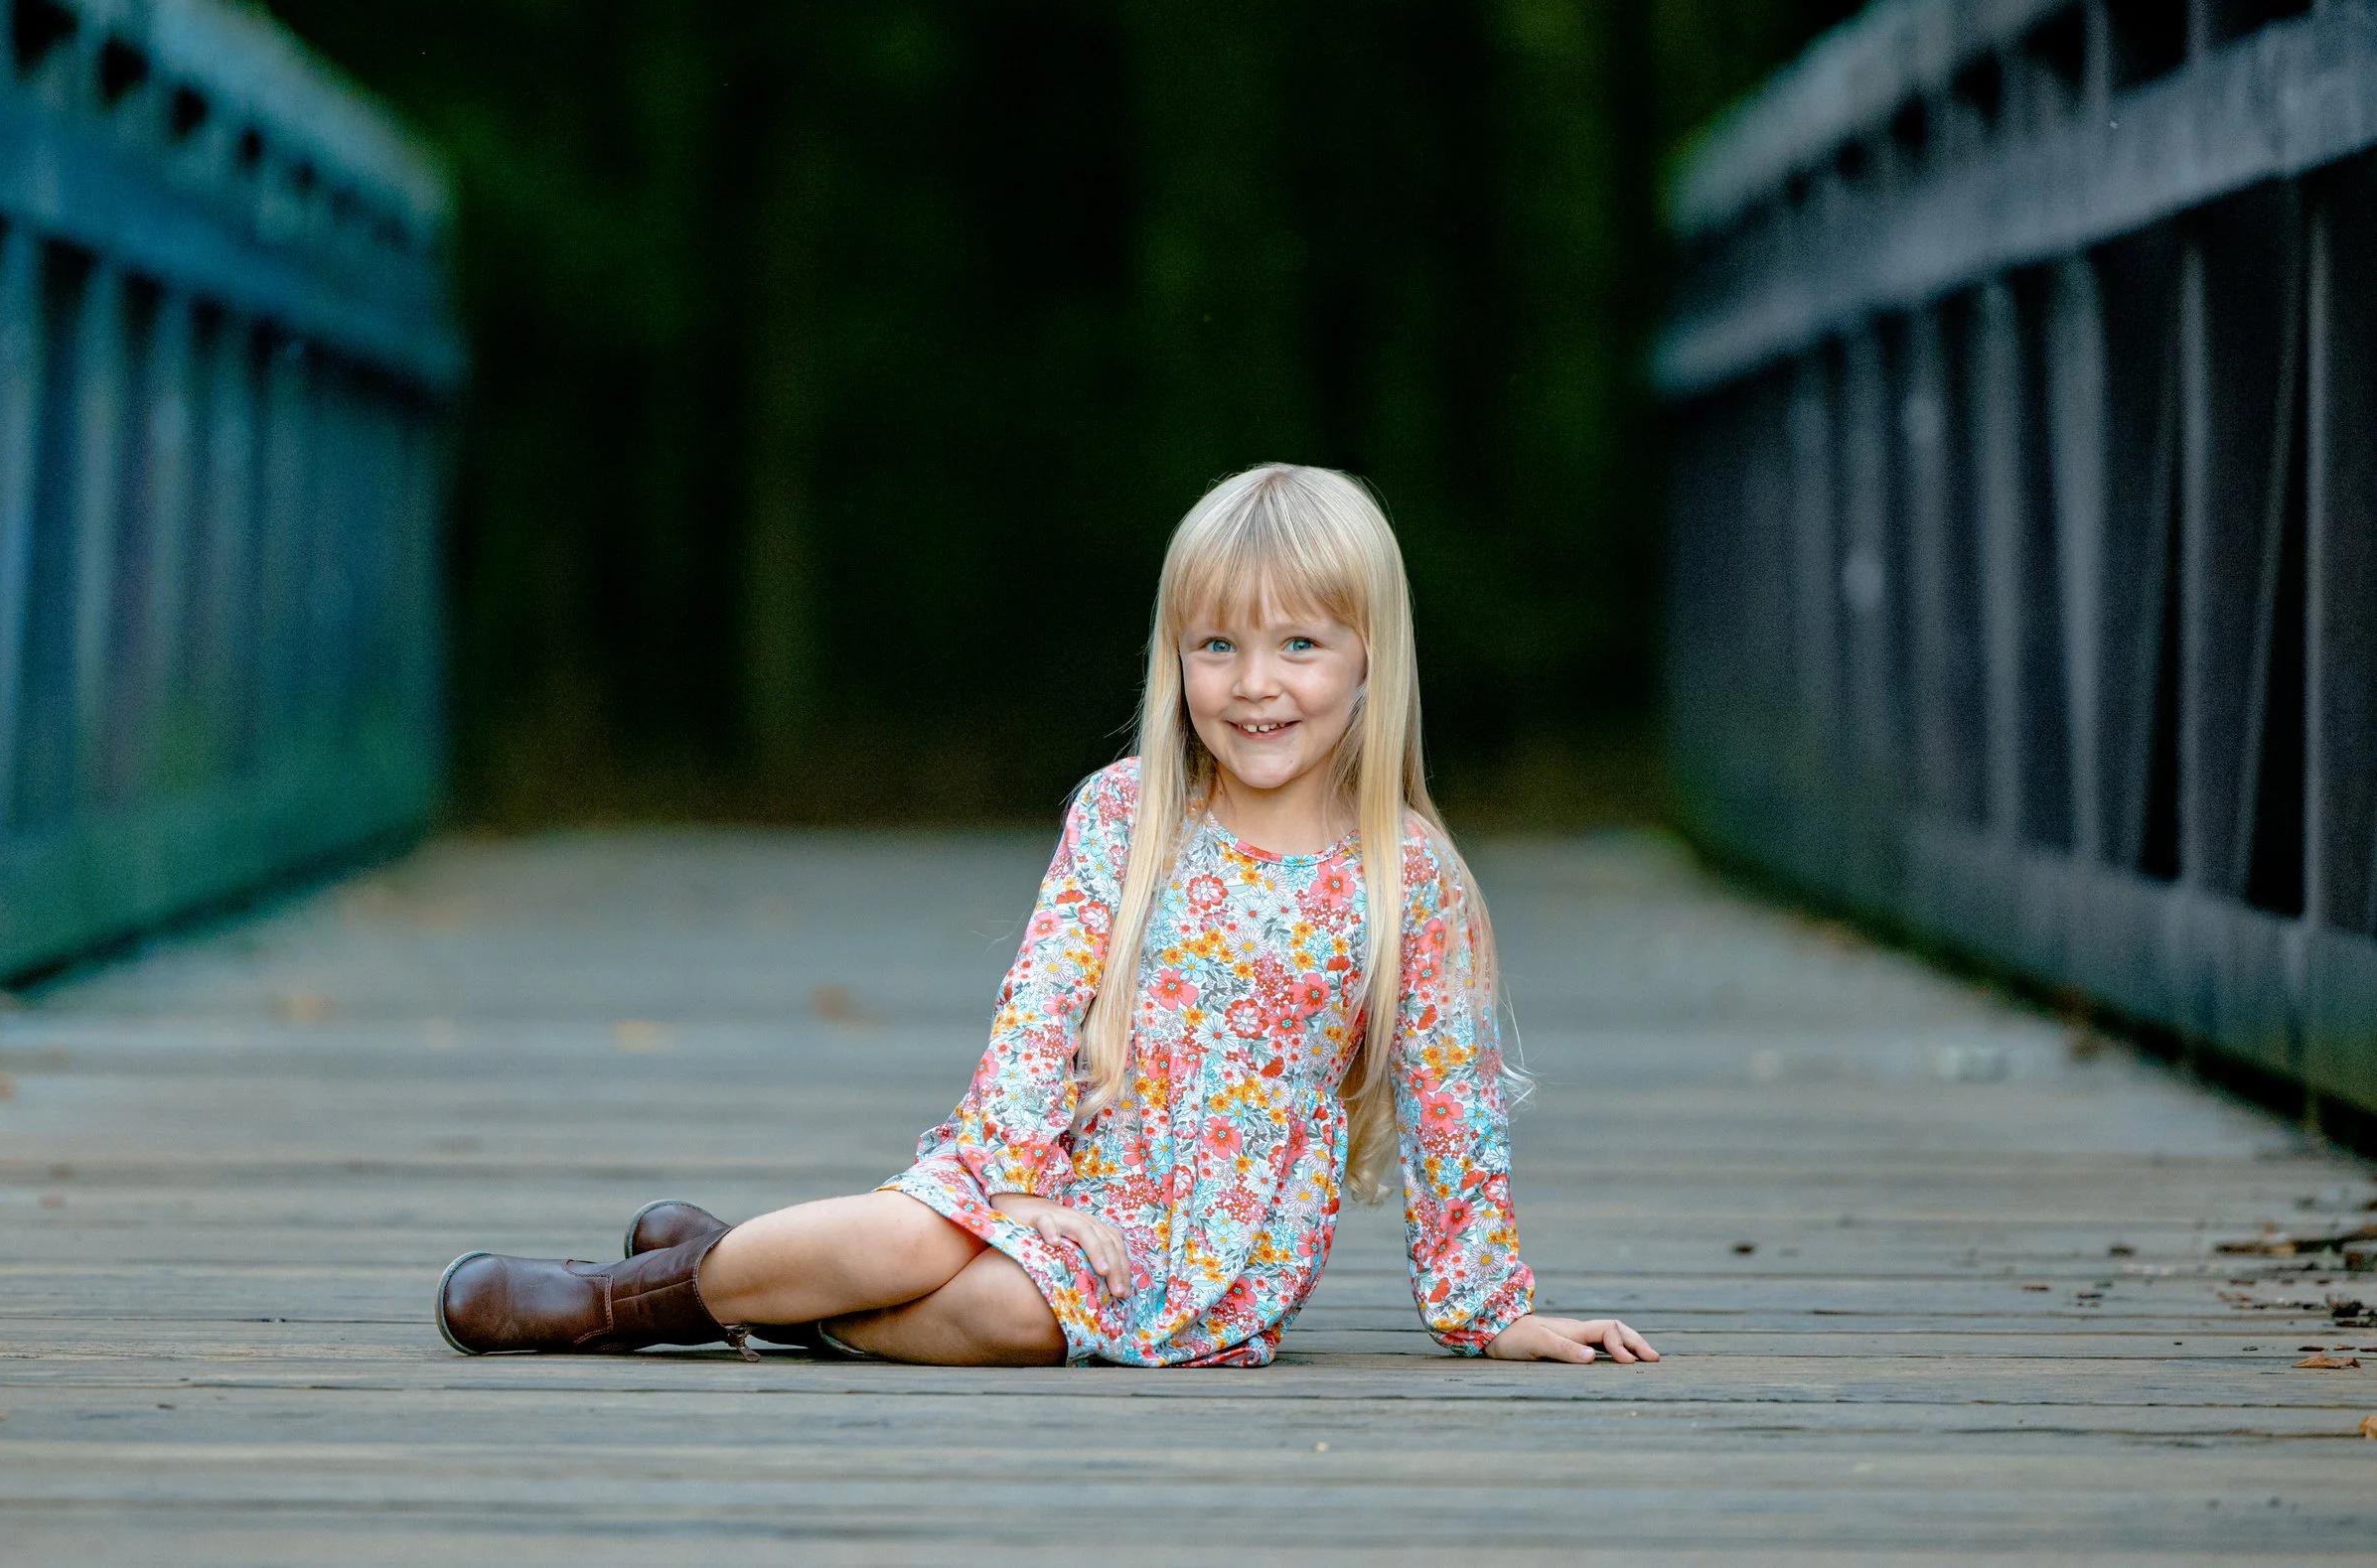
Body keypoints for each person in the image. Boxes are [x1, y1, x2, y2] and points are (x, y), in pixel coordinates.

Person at [435, 464, 1660, 1368]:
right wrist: (1016, 1187)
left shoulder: (1413, 875)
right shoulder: (1131, 812)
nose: (1254, 683)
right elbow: (1040, 1003)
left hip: (1211, 1243)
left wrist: (1488, 1306)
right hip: (1054, 1165)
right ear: (1176, 655)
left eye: (1299, 643)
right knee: (925, 1239)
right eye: (1217, 644)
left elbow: (1453, 1098)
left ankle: (762, 1277)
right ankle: (613, 1302)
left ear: (1368, 659)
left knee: (1012, 1318)